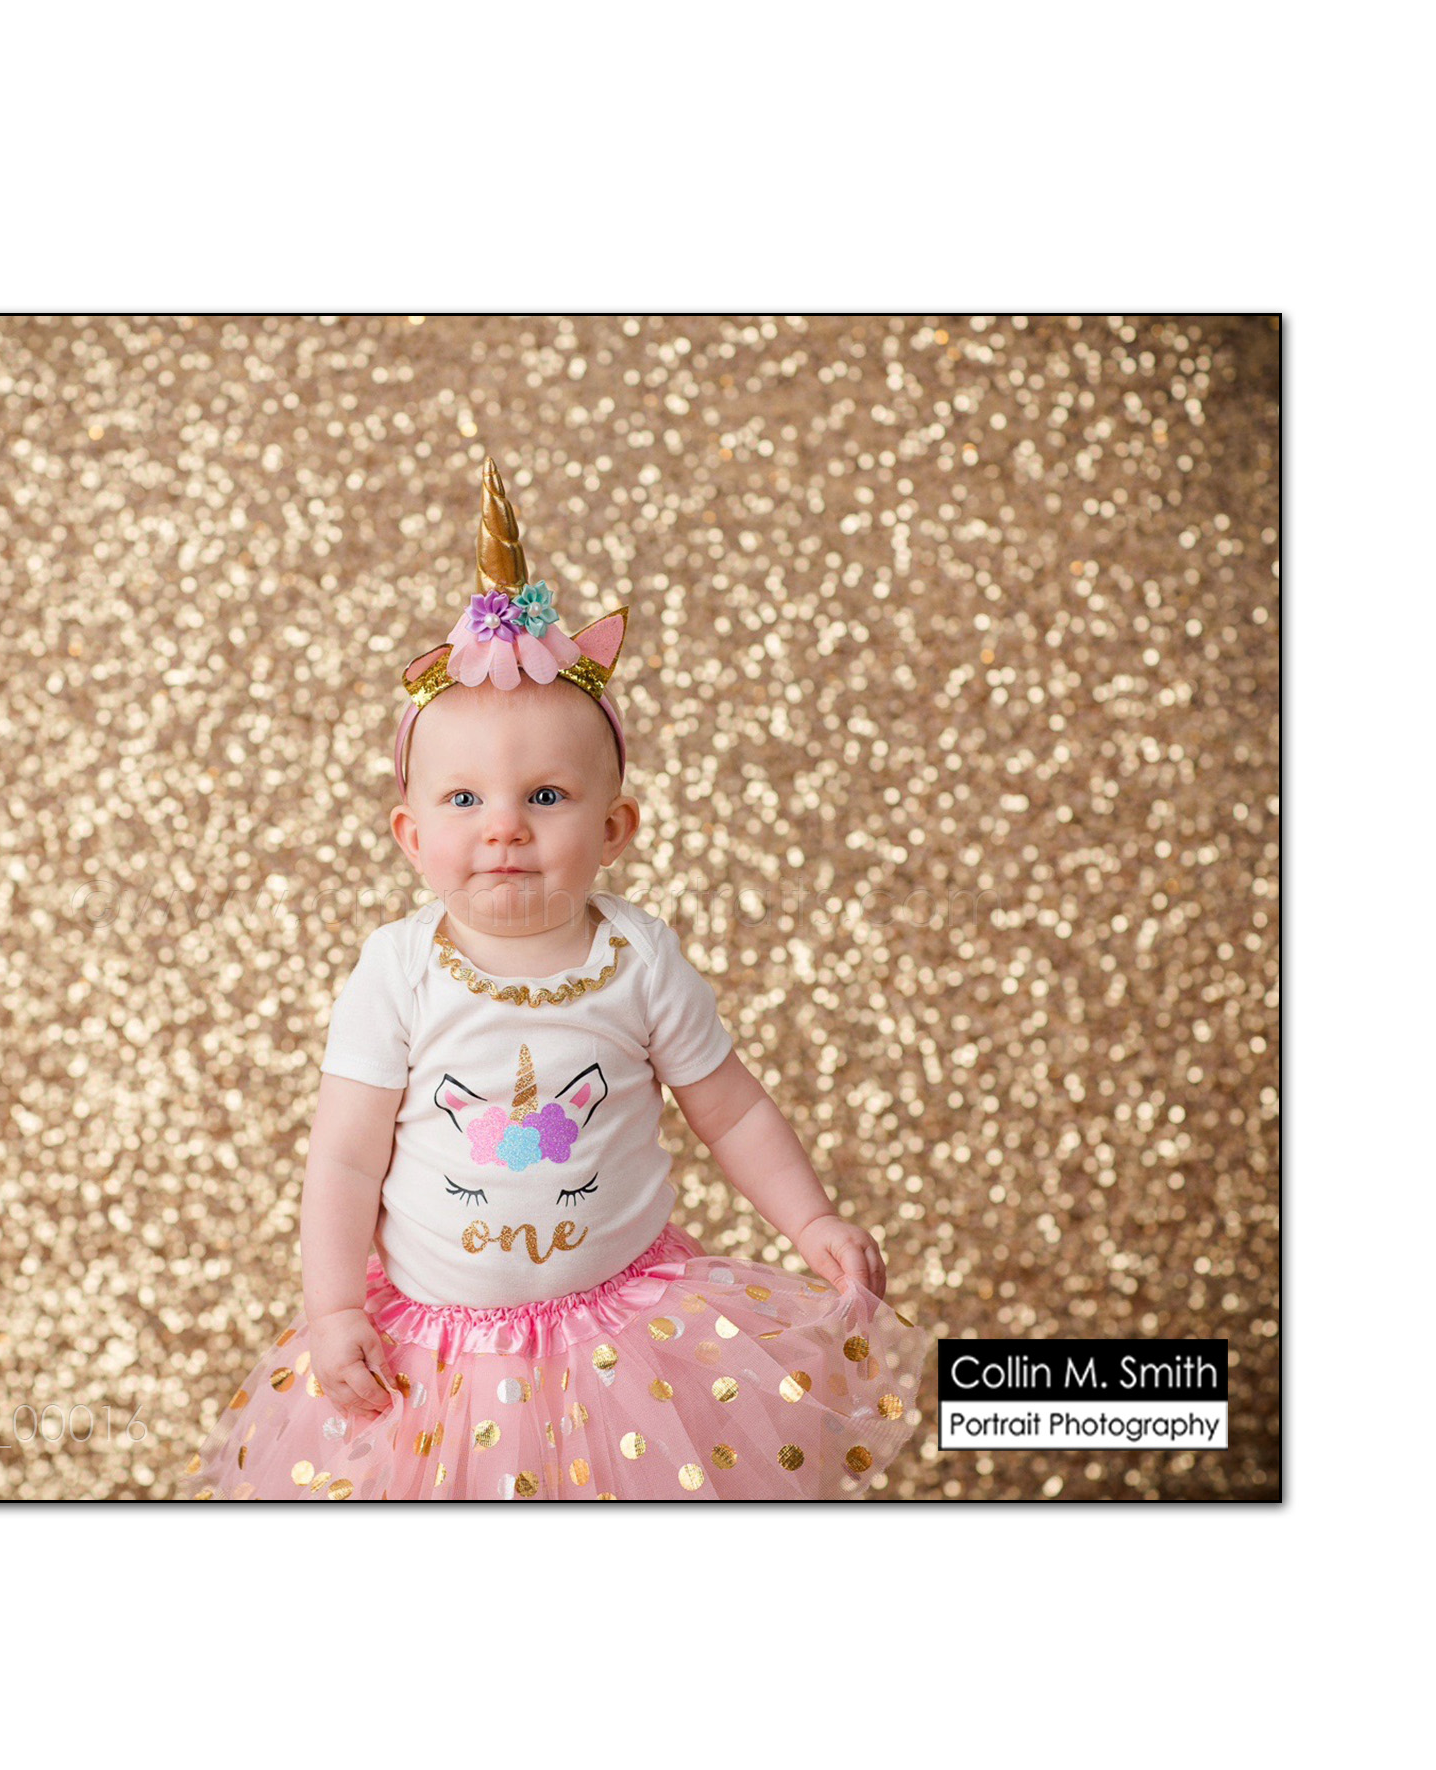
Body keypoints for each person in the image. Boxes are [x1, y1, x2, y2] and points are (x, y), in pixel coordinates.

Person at [181, 459, 927, 1499]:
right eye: (463, 799)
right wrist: (334, 1308)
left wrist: (810, 1222)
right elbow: (345, 1158)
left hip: (628, 1336)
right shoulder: (399, 970)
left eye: (544, 795)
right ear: (409, 835)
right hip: (439, 1352)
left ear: (614, 828)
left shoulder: (639, 959)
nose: (504, 827)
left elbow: (731, 1109)